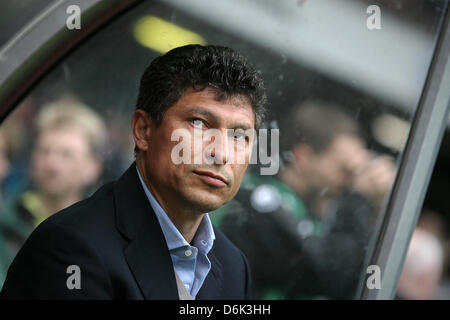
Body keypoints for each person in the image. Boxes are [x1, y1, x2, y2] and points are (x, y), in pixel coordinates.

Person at [0, 44, 267, 299]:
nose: (220, 153)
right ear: (143, 130)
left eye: (239, 135)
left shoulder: (234, 268)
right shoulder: (71, 248)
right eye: (198, 123)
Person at [215, 100, 395, 299]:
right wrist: (360, 200)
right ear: (303, 157)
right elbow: (325, 271)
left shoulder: (317, 216)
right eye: (344, 169)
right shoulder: (259, 201)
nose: (350, 180)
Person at [0, 98, 106, 289]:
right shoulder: (6, 222)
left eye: (66, 154)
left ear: (93, 166)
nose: (52, 164)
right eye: (45, 151)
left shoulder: (109, 231)